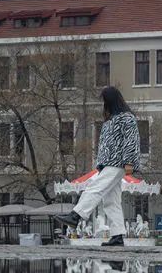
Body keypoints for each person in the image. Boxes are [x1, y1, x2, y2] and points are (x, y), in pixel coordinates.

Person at [55, 86, 141, 247]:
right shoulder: (110, 120)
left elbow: (131, 140)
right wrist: (100, 164)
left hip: (118, 163)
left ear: (112, 101)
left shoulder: (126, 118)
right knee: (111, 201)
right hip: (109, 163)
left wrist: (129, 161)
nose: (104, 104)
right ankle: (118, 236)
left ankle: (76, 216)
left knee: (94, 188)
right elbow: (104, 145)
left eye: (105, 101)